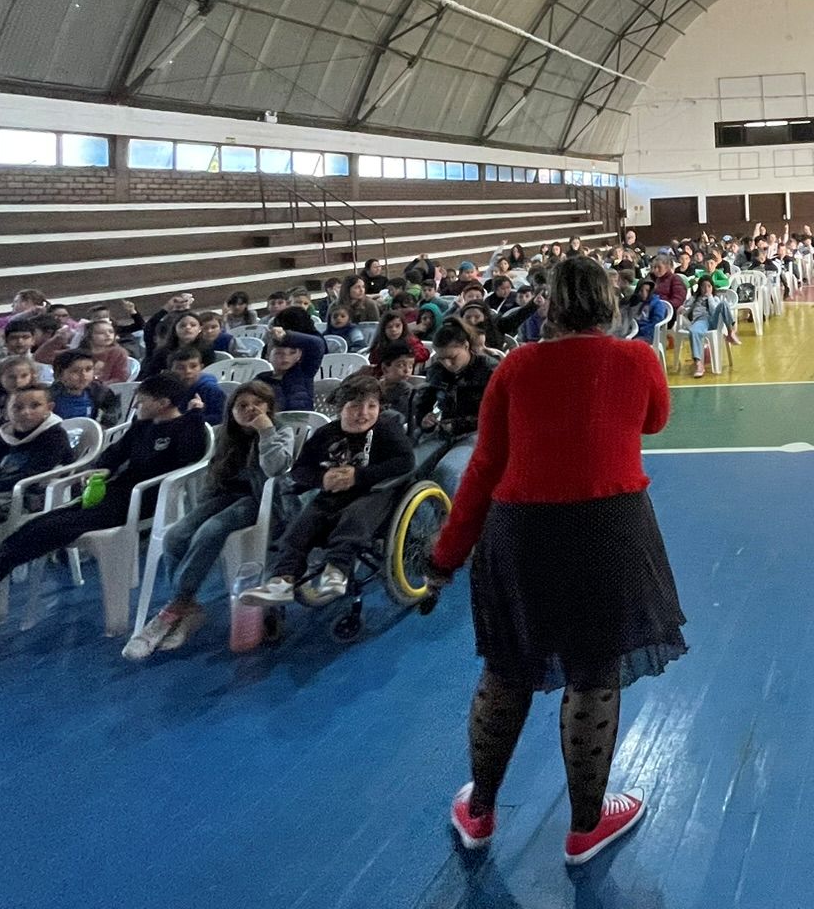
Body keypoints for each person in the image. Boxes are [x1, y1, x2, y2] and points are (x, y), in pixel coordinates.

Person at [426, 255, 686, 865]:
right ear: (608, 301)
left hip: (523, 535)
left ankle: (480, 811)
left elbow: (485, 467)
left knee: (506, 672)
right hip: (611, 529)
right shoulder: (638, 358)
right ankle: (586, 826)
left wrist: (445, 556)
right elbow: (655, 420)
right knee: (595, 674)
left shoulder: (516, 366)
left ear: (551, 304)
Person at [0, 375, 209, 630]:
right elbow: (115, 454)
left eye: (144, 398)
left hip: (144, 500)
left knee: (43, 533)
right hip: (113, 495)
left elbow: (191, 457)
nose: (137, 403)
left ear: (163, 402)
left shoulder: (184, 427)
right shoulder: (142, 425)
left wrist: (196, 415)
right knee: (33, 529)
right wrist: (102, 468)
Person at [125, 382, 296, 660]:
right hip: (226, 497)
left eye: (258, 404)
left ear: (269, 408)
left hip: (262, 501)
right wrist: (201, 509)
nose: (250, 410)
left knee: (211, 530)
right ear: (232, 411)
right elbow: (215, 478)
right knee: (177, 535)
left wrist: (265, 431)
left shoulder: (280, 431)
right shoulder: (227, 435)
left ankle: (177, 605)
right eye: (242, 406)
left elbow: (275, 468)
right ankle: (187, 607)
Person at [240, 375, 413, 608]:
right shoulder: (326, 434)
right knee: (299, 528)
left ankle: (336, 571)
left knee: (353, 518)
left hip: (378, 493)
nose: (363, 413)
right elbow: (300, 470)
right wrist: (321, 478)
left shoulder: (386, 429)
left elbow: (405, 461)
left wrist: (359, 476)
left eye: (372, 406)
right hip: (333, 495)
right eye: (355, 406)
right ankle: (281, 580)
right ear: (340, 408)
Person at [0, 382, 76, 570]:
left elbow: (31, 478)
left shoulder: (55, 436)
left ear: (49, 408)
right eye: (17, 407)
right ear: (7, 411)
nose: (26, 412)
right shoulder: (5, 433)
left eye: (35, 406)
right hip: (0, 490)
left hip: (36, 495)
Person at [414, 323, 497, 496]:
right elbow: (424, 402)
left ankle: (441, 512)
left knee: (448, 472)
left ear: (466, 346)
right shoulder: (437, 370)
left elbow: (497, 416)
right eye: (441, 358)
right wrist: (424, 419)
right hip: (443, 429)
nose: (447, 363)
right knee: (414, 467)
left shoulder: (490, 370)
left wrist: (458, 424)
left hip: (478, 433)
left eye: (452, 357)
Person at [49, 347, 118, 424]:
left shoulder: (99, 392)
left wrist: (102, 426)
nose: (83, 375)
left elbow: (113, 413)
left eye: (88, 369)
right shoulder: (49, 396)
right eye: (75, 371)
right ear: (59, 375)